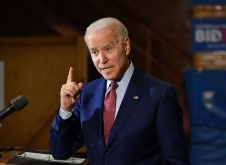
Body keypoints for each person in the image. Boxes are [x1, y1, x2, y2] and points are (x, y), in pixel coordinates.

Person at [49, 17, 190, 165]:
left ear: (126, 46)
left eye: (108, 49)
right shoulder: (87, 93)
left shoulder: (160, 94)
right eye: (95, 52)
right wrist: (66, 110)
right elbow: (60, 152)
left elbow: (176, 161)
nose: (102, 59)